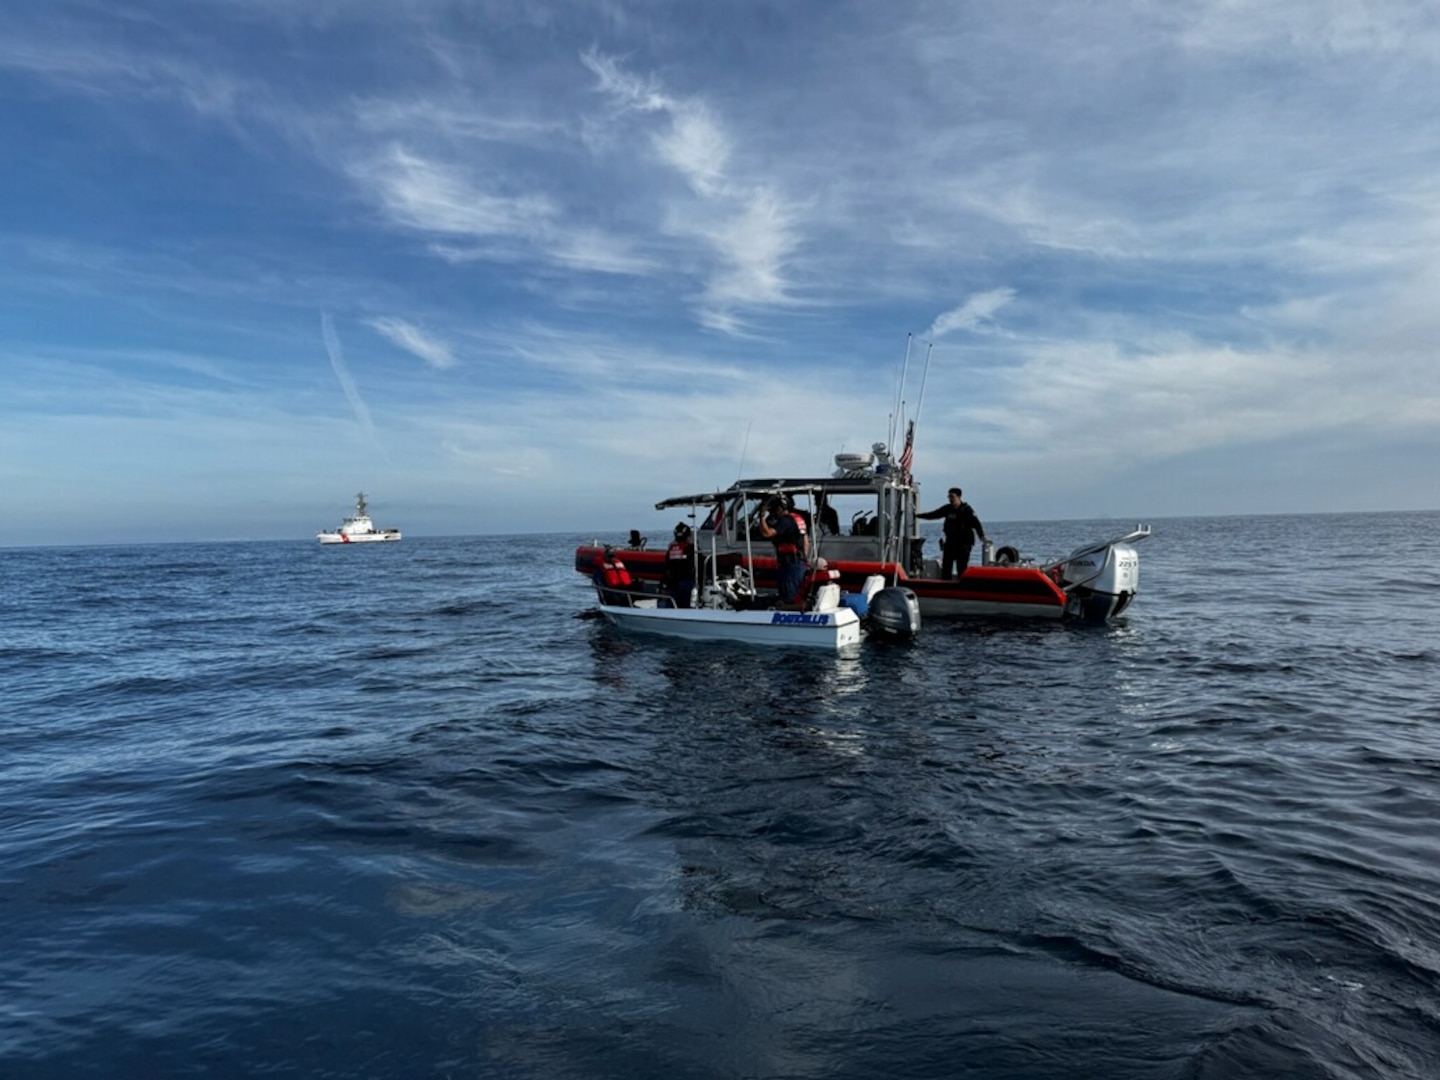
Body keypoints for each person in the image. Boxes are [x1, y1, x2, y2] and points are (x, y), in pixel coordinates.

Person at [917, 487, 986, 580]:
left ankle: (961, 588)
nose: (950, 499)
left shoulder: (967, 510)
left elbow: (977, 525)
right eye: (949, 497)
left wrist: (982, 537)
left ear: (959, 497)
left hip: (964, 544)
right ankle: (945, 586)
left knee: (961, 567)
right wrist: (918, 516)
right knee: (946, 566)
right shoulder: (948, 508)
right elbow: (934, 514)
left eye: (952, 497)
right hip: (951, 542)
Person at [758, 495, 809, 604]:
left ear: (780, 508)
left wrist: (761, 516)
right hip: (798, 562)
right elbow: (805, 541)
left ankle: (789, 615)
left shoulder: (785, 521)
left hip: (790, 565)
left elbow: (766, 533)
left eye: (775, 509)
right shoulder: (798, 519)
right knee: (796, 593)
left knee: (788, 596)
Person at [662, 522, 696, 608]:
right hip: (686, 582)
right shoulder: (692, 549)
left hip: (673, 582)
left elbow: (666, 566)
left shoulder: (672, 549)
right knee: (686, 607)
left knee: (671, 606)